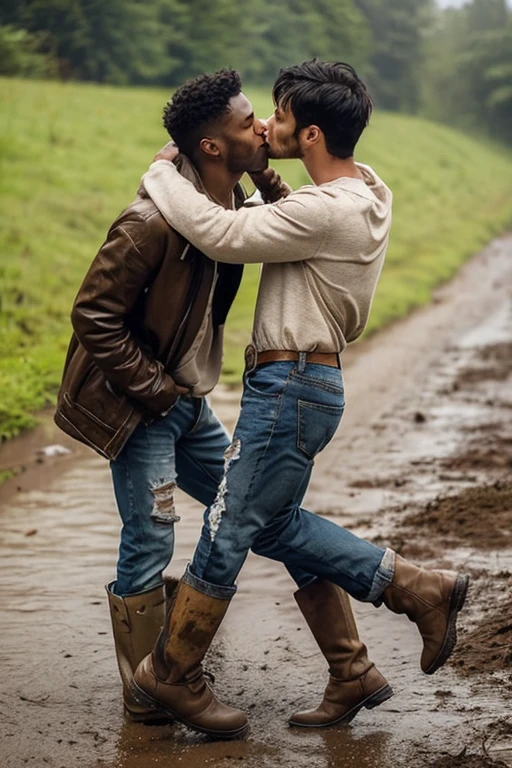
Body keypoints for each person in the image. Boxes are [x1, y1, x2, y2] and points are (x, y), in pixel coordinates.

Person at [131, 60, 469, 738]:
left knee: (228, 528)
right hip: (304, 387)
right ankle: (360, 661)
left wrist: (161, 174)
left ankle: (172, 674)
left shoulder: (321, 213)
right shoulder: (367, 192)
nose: (266, 126)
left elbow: (224, 234)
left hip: (288, 388)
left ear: (310, 132)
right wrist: (265, 170)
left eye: (279, 118)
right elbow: (292, 214)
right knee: (277, 527)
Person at [54, 68, 388, 728]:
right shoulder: (151, 221)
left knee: (265, 516)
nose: (261, 126)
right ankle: (149, 690)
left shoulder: (224, 208)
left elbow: (275, 224)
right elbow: (92, 314)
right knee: (151, 536)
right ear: (211, 147)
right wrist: (154, 391)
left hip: (187, 401)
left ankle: (349, 668)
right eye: (246, 122)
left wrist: (263, 174)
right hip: (144, 399)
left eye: (265, 116)